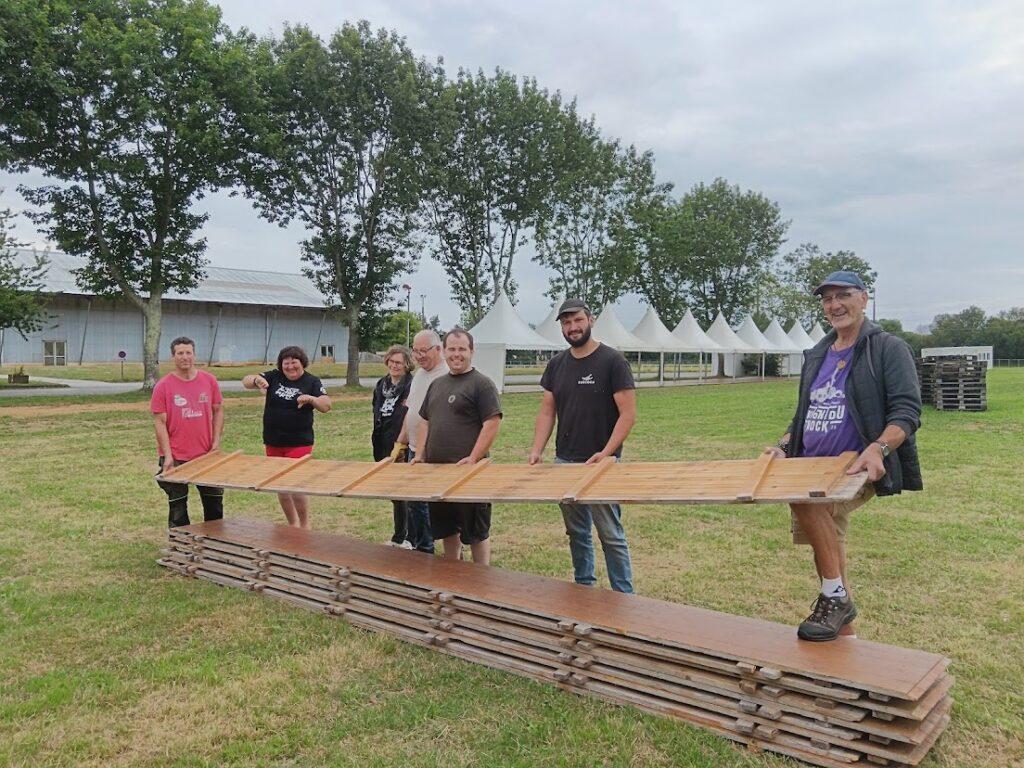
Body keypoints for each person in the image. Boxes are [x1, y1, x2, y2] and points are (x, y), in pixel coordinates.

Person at [764, 271, 922, 641]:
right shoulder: (818, 353)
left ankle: (835, 597)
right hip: (810, 463)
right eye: (827, 299)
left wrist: (878, 447)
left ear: (864, 298)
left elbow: (907, 411)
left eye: (843, 295)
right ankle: (843, 626)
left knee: (808, 501)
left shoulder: (887, 348)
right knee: (828, 540)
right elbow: (803, 413)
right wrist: (785, 446)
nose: (834, 305)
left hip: (855, 463)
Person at [528, 298, 637, 593]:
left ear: (591, 320)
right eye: (566, 323)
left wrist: (607, 453)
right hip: (565, 461)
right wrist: (537, 449)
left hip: (602, 465)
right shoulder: (557, 364)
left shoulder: (612, 361)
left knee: (610, 534)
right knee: (577, 532)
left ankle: (623, 596)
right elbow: (547, 410)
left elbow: (628, 415)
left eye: (577, 320)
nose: (572, 327)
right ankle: (584, 589)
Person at [410, 327, 502, 565]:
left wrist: (473, 458)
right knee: (447, 530)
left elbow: (491, 423)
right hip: (437, 473)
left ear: (472, 351)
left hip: (470, 474)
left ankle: (481, 578)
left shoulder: (482, 384)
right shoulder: (437, 384)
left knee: (476, 533)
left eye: (462, 349)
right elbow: (425, 421)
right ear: (445, 351)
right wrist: (420, 454)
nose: (456, 354)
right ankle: (453, 575)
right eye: (452, 349)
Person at [243, 346, 331, 529]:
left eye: (294, 363)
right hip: (273, 441)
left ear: (302, 363)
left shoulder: (311, 381)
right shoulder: (274, 376)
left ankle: (305, 526)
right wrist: (256, 380)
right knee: (280, 486)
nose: (290, 367)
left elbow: (326, 405)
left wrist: (311, 399)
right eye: (286, 363)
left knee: (295, 485)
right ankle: (292, 524)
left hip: (299, 442)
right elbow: (246, 381)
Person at [152, 336, 225, 528]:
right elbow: (159, 422)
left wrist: (216, 443)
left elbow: (218, 411)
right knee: (178, 506)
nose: (185, 357)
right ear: (173, 357)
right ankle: (181, 547)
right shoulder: (163, 386)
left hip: (206, 454)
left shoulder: (209, 380)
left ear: (194, 354)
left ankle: (214, 543)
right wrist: (167, 456)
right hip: (176, 456)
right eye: (180, 353)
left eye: (188, 353)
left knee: (214, 503)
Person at [389, 329, 449, 554]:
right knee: (415, 503)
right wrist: (399, 445)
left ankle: (434, 549)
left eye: (424, 351)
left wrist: (423, 451)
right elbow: (411, 412)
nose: (419, 356)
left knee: (432, 505)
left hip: (435, 452)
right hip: (414, 450)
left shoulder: (446, 374)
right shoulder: (420, 376)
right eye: (416, 351)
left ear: (438, 349)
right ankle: (422, 547)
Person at [372, 344, 414, 548]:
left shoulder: (411, 385)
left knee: (403, 490)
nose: (394, 365)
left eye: (399, 362)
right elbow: (376, 409)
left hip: (402, 441)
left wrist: (403, 441)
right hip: (383, 440)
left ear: (407, 365)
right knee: (392, 490)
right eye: (392, 361)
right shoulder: (381, 384)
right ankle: (401, 535)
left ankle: (406, 537)